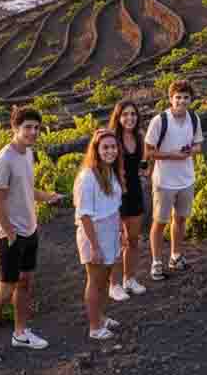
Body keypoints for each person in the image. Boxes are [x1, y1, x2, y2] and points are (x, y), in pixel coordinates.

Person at [0, 106, 63, 365]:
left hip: (29, 229)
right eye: (27, 127)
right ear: (14, 128)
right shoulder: (4, 160)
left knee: (25, 283)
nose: (33, 132)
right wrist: (11, 233)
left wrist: (47, 197)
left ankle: (20, 333)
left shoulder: (28, 153)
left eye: (36, 127)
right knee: (4, 290)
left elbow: (26, 188)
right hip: (9, 235)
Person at [145, 79, 203, 281]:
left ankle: (175, 256)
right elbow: (149, 151)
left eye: (186, 97)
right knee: (159, 222)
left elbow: (198, 146)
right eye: (178, 97)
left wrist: (189, 151)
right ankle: (156, 262)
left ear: (191, 99)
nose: (182, 101)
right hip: (164, 181)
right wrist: (173, 156)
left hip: (186, 179)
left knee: (180, 219)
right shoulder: (159, 121)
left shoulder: (194, 119)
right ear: (170, 99)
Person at [74, 128, 126, 340]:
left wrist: (120, 230)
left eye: (113, 147)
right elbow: (84, 215)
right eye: (105, 147)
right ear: (96, 149)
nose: (110, 151)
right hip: (94, 233)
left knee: (105, 279)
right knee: (95, 281)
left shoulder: (110, 172)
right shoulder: (88, 177)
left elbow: (114, 206)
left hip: (110, 228)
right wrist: (94, 246)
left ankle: (101, 316)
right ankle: (95, 327)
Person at [107, 101, 148, 300]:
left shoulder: (139, 137)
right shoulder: (111, 139)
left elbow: (144, 163)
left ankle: (129, 279)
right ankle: (113, 285)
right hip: (115, 194)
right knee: (116, 241)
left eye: (133, 114)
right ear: (118, 117)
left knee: (133, 239)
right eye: (125, 114)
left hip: (135, 191)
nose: (129, 118)